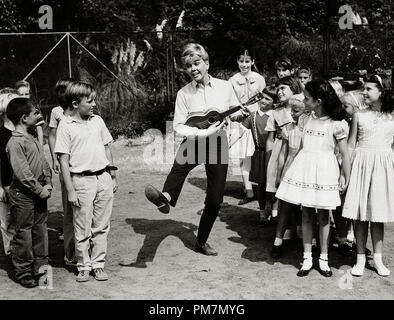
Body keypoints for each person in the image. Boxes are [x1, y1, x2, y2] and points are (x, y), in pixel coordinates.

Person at [144, 43, 240, 256]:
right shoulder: (183, 93)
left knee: (215, 200)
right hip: (194, 140)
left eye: (197, 63)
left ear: (206, 63)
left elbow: (236, 110)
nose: (193, 69)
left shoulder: (225, 87)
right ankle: (165, 198)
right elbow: (178, 126)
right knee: (179, 168)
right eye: (188, 66)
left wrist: (239, 115)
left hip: (217, 143)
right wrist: (200, 134)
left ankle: (201, 241)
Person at [276, 79, 351, 277]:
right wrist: (292, 171)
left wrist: (345, 175)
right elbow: (302, 147)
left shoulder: (336, 124)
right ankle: (307, 257)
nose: (304, 100)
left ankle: (324, 258)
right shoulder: (305, 118)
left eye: (307, 98)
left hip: (325, 170)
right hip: (306, 168)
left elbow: (345, 154)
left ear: (318, 101)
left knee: (324, 217)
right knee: (306, 214)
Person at [55, 81, 118, 282]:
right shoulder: (65, 126)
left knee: (101, 226)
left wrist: (112, 175)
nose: (94, 104)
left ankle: (98, 264)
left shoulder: (97, 121)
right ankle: (83, 265)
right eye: (89, 101)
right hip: (81, 181)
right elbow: (63, 161)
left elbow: (107, 148)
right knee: (82, 226)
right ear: (75, 104)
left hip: (103, 178)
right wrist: (71, 189)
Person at [342, 74, 394, 277]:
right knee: (361, 215)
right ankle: (360, 258)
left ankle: (378, 259)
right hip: (361, 165)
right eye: (363, 89)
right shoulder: (359, 115)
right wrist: (345, 172)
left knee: (377, 215)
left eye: (368, 89)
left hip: (383, 167)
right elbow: (351, 143)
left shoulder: (392, 116)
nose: (364, 92)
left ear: (382, 92)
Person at [6, 97, 52, 288]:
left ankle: (40, 267)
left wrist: (48, 180)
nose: (38, 115)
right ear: (24, 118)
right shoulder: (15, 143)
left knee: (40, 230)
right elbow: (23, 173)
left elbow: (42, 160)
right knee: (23, 233)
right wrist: (40, 189)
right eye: (35, 113)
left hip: (40, 190)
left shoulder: (32, 136)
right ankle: (23, 270)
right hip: (24, 194)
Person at [270, 94, 308, 258]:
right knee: (285, 207)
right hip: (290, 168)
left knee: (307, 208)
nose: (292, 113)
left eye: (296, 111)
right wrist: (279, 175)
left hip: (306, 169)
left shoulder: (310, 130)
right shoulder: (288, 129)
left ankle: (308, 241)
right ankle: (278, 241)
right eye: (291, 110)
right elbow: (283, 154)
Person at [228, 49, 266, 205]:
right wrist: (239, 111)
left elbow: (264, 99)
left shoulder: (259, 79)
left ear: (252, 62)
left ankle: (260, 186)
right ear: (237, 62)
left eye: (247, 61)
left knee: (257, 153)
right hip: (240, 119)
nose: (244, 64)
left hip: (256, 120)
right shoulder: (232, 80)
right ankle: (248, 190)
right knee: (244, 155)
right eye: (241, 61)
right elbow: (230, 100)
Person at [265, 76, 302, 221]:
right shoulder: (276, 112)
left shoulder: (303, 110)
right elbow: (270, 139)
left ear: (294, 89)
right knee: (277, 184)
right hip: (279, 150)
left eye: (283, 88)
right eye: (278, 89)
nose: (279, 92)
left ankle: (297, 223)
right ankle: (278, 217)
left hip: (297, 149)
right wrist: (269, 161)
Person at [48, 78, 76, 266]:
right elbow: (51, 135)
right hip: (66, 163)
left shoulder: (81, 108)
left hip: (82, 164)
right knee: (69, 211)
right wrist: (55, 158)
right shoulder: (57, 112)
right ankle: (70, 253)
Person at [240, 85, 275, 223]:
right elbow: (240, 129)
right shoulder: (253, 116)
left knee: (273, 184)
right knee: (261, 184)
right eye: (261, 97)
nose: (263, 101)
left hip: (274, 153)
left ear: (274, 102)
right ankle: (261, 213)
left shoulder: (276, 115)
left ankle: (273, 210)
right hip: (259, 153)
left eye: (268, 99)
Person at [0, 90, 19, 266]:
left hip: (25, 187)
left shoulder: (25, 132)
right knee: (7, 223)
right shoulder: (1, 135)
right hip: (6, 186)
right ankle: (11, 255)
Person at [15, 80, 45, 146]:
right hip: (17, 143)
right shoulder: (13, 111)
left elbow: (39, 130)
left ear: (29, 95)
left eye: (26, 94)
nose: (24, 96)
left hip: (32, 143)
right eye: (21, 94)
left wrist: (40, 146)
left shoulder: (35, 111)